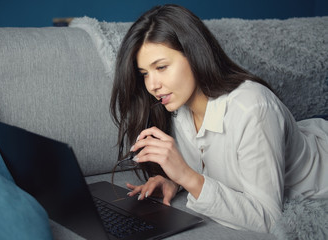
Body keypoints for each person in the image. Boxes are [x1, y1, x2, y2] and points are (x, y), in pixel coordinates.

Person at [109, 4, 328, 233]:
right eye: (145, 73)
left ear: (194, 55)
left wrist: (188, 177)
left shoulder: (253, 108)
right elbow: (212, 166)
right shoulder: (177, 109)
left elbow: (268, 219)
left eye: (161, 67)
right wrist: (175, 181)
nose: (152, 85)